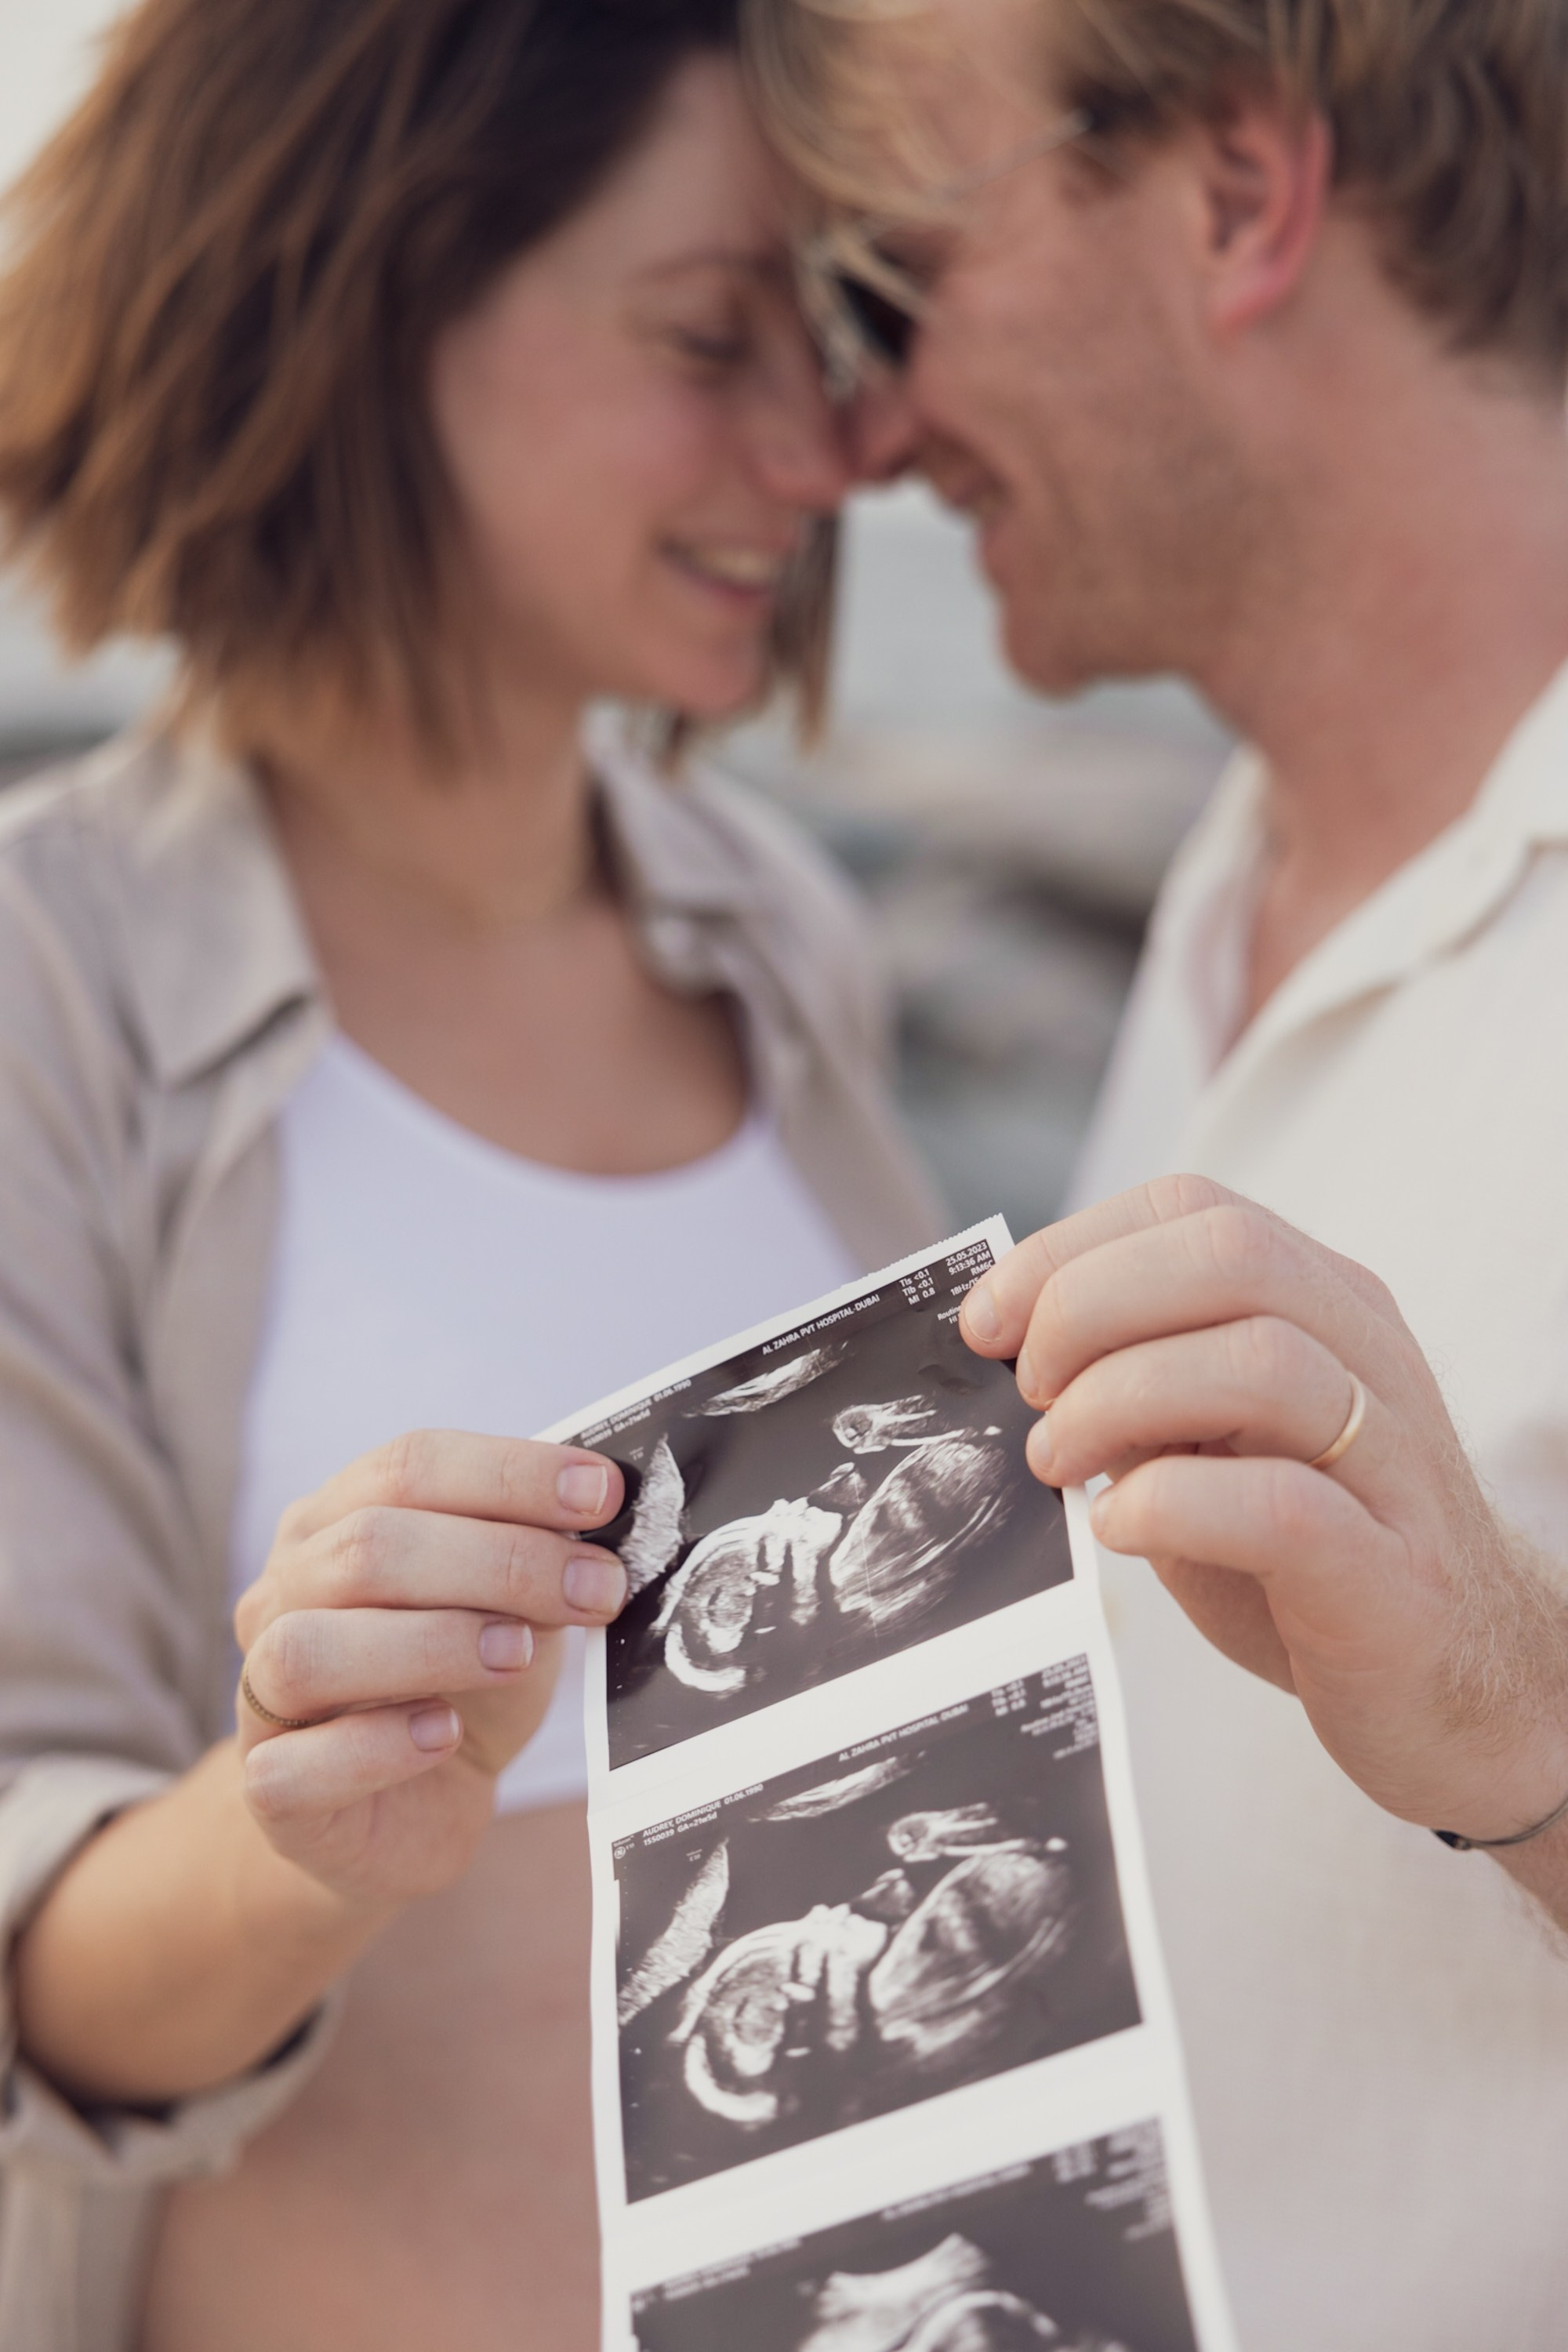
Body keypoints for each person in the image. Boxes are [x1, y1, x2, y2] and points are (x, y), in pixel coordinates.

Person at [0, 2, 942, 2347]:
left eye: (822, 342)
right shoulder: (43, 992)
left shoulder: (783, 940)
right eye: (713, 333)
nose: (827, 454)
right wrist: (304, 1832)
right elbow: (37, 1974)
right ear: (360, 297)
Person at [752, 1, 1568, 2345]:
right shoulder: (1228, 881)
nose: (869, 427)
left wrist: (1517, 1716)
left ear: (1236, 196)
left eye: (895, 280)